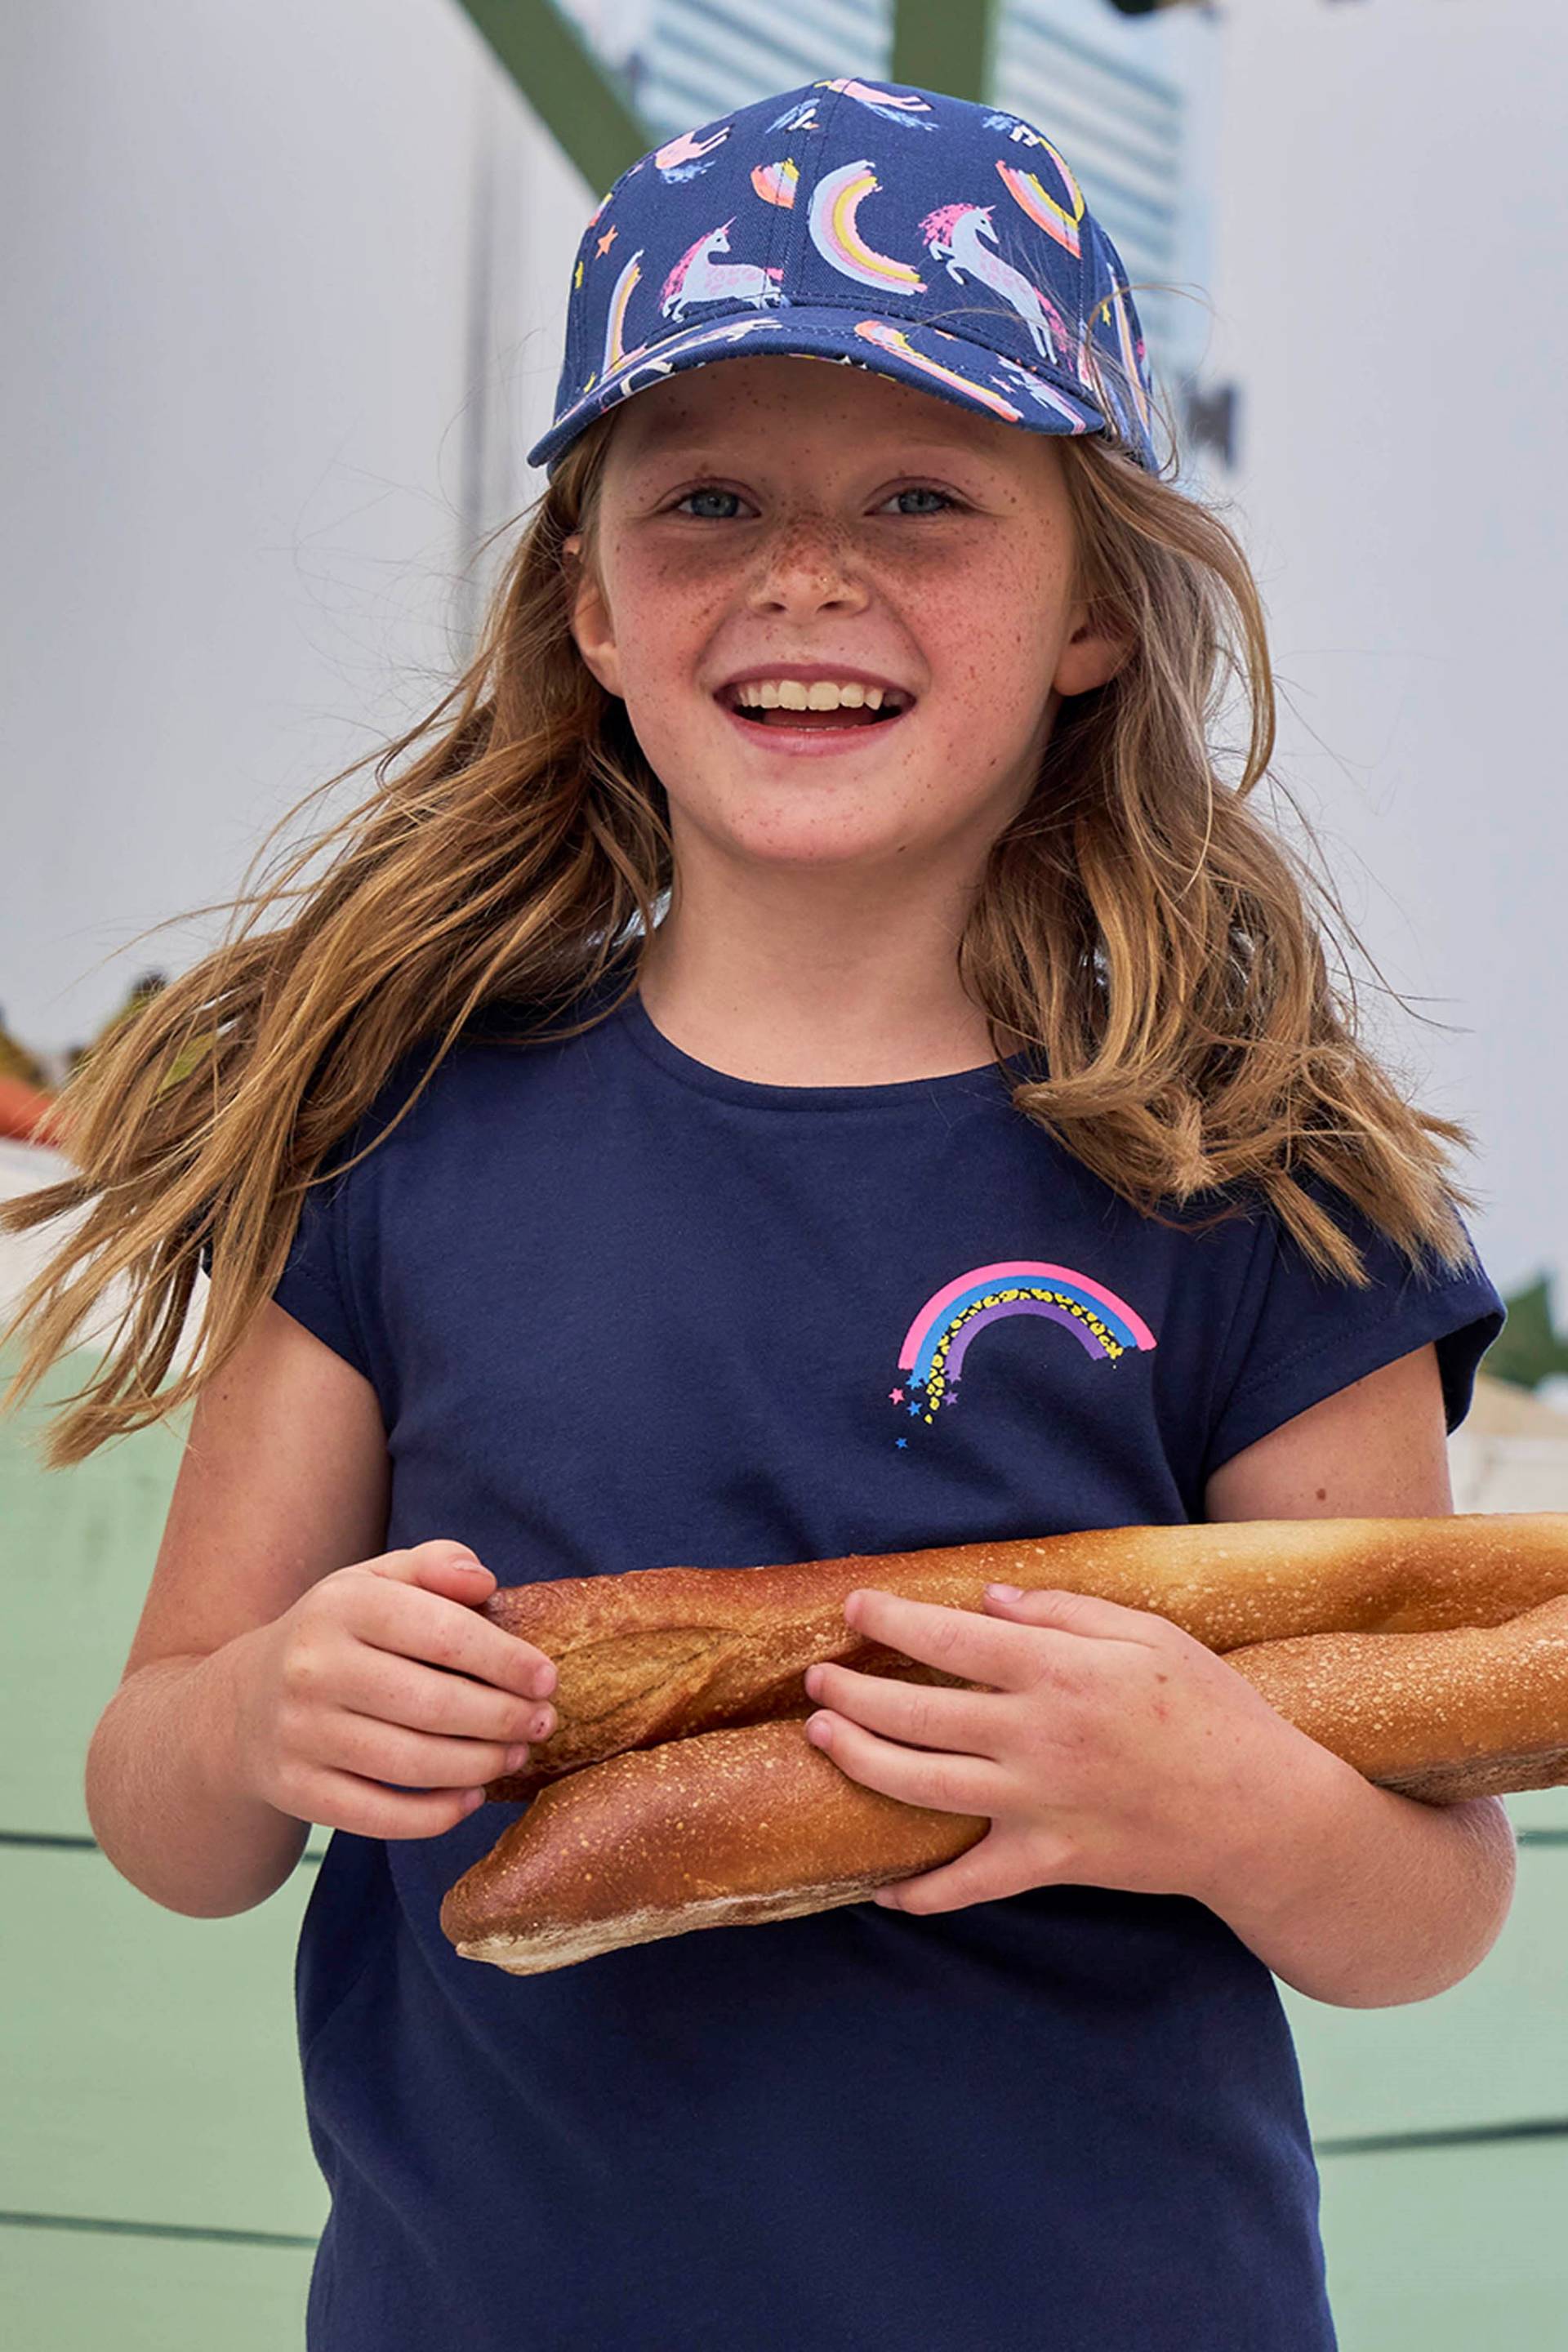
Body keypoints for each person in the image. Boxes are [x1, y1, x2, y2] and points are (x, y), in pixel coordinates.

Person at [2, 76, 1512, 2352]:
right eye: (705, 498)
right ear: (593, 608)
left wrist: (1209, 1792)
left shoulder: (1252, 1188)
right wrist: (265, 1721)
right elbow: (169, 1812)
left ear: (1096, 608)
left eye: (924, 494)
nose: (808, 574)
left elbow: (1425, 1914)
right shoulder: (405, 1145)